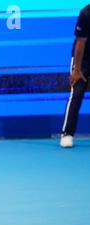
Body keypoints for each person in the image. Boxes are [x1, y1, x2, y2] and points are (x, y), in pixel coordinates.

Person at [61, 4, 90, 148]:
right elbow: (80, 42)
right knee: (77, 93)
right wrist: (77, 69)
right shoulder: (86, 13)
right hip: (82, 58)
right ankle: (67, 134)